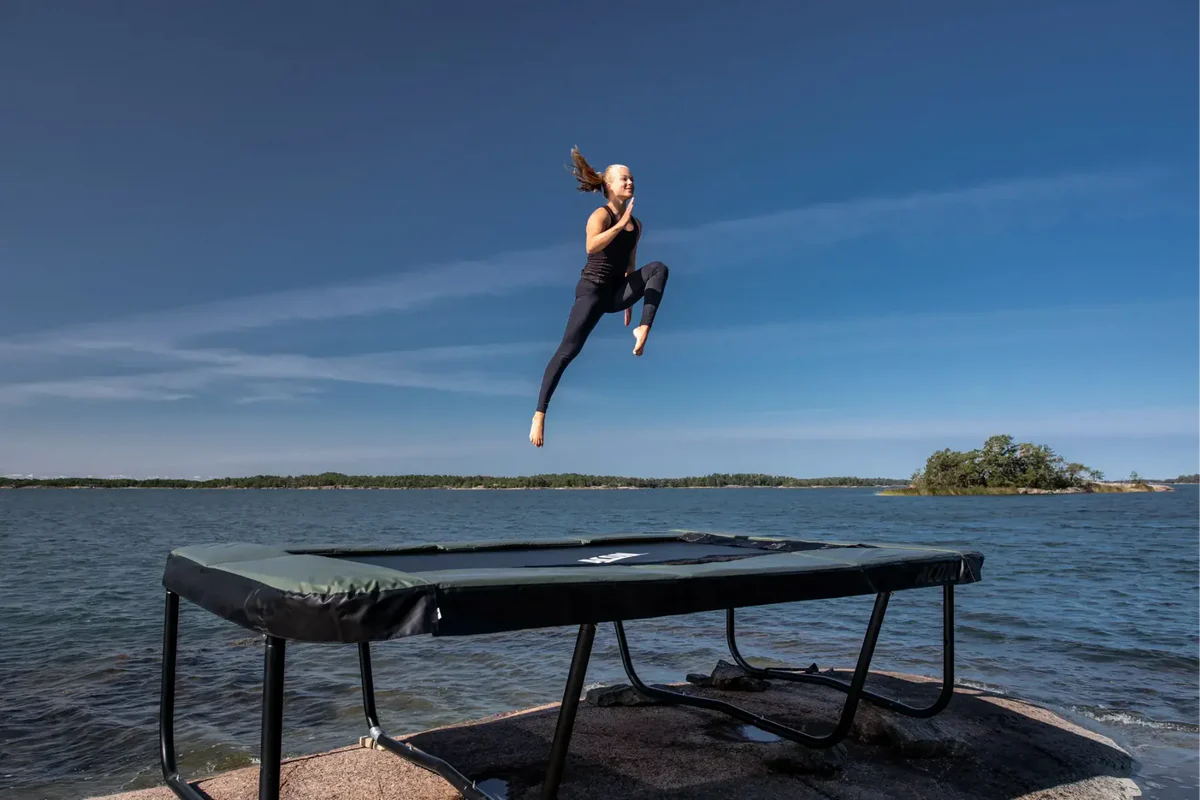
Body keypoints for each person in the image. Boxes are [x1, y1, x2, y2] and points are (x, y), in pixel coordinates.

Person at [530, 147, 669, 447]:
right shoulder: (601, 215)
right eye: (623, 179)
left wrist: (631, 296)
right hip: (591, 293)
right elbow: (591, 247)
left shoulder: (637, 225)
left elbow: (631, 261)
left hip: (616, 293)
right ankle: (540, 413)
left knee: (658, 268)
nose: (630, 183)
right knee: (568, 351)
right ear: (609, 185)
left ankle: (643, 328)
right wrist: (619, 225)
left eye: (632, 178)